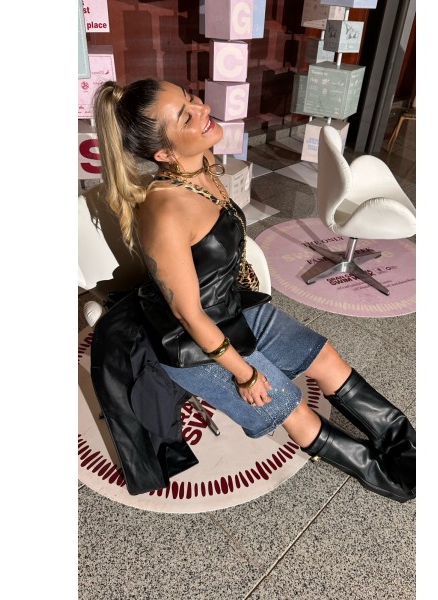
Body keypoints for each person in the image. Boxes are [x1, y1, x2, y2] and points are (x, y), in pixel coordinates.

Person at [91, 78, 416, 503]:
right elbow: (189, 314)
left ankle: (403, 442)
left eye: (191, 98)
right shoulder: (165, 209)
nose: (203, 109)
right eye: (186, 116)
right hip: (194, 342)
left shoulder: (202, 166)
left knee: (326, 357)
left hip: (231, 305)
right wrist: (244, 374)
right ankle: (379, 473)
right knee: (290, 407)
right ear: (164, 154)